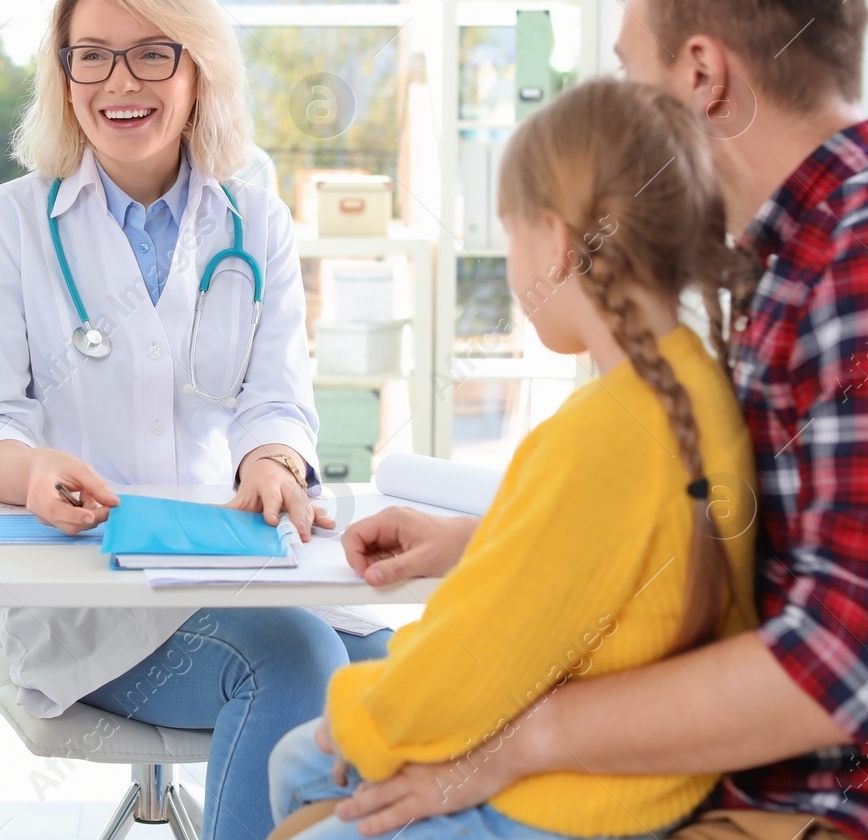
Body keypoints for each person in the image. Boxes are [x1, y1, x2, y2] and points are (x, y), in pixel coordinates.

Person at [315, 0, 868, 840]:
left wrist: (522, 740)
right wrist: (485, 544)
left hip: (819, 810)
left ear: (702, 75)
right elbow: (748, 549)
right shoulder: (784, 260)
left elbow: (845, 662)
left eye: (626, 81)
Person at [0, 0, 391, 839]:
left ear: (199, 72)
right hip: (92, 594)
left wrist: (271, 457)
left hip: (230, 557)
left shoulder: (252, 219)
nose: (120, 80)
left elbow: (276, 398)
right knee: (291, 659)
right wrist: (31, 470)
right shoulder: (9, 222)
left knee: (408, 678)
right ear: (64, 73)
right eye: (92, 55)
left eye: (153, 54)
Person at [266, 79, 759, 839]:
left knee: (306, 760)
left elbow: (483, 652)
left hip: (565, 804)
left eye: (508, 235)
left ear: (559, 241)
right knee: (300, 762)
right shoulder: (697, 380)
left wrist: (363, 711)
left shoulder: (601, 430)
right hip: (652, 781)